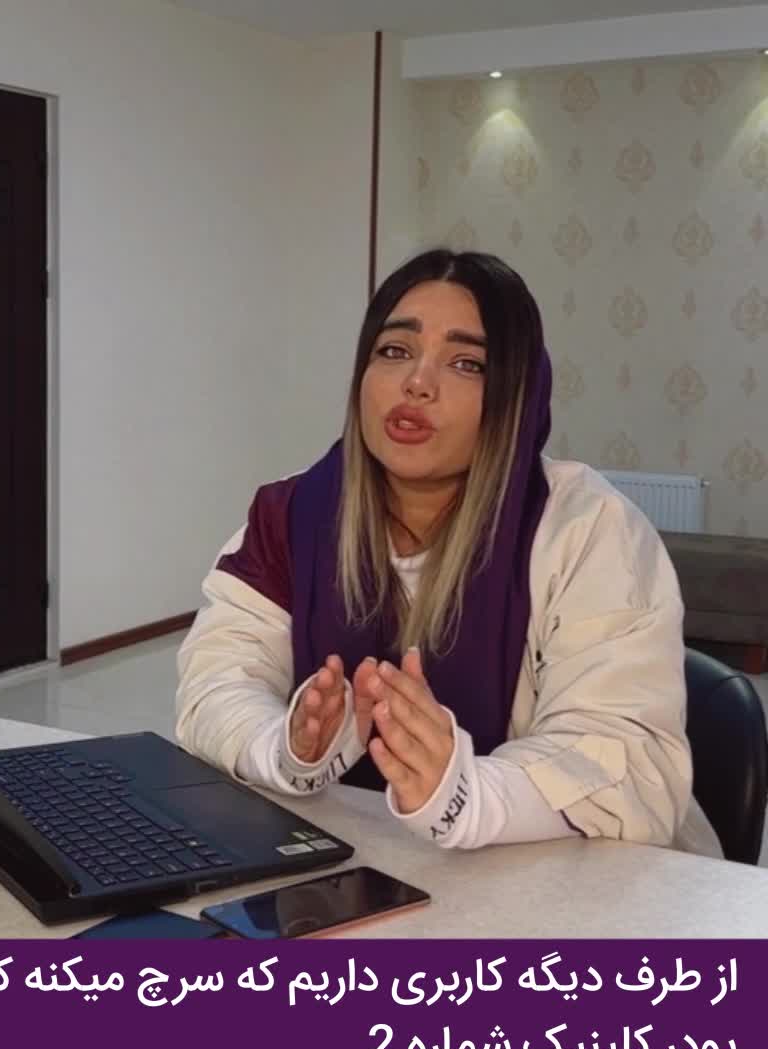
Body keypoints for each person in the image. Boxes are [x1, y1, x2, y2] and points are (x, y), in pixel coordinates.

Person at [175, 248, 721, 857]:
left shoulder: (587, 530)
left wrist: (464, 792)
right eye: (394, 351)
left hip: (582, 879)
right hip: (356, 860)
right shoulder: (291, 513)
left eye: (466, 363)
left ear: (516, 397)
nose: (417, 382)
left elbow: (624, 758)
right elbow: (217, 680)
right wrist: (286, 746)